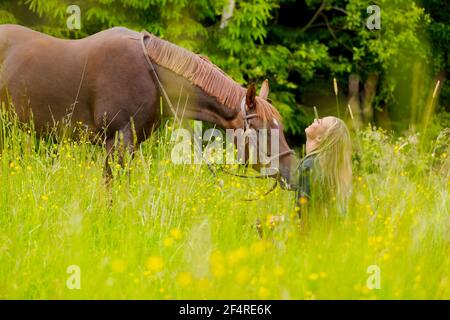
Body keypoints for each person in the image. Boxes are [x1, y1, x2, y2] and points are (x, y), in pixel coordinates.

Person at [296, 116, 353, 216]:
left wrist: (282, 220)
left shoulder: (309, 166)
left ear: (320, 137)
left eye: (319, 122)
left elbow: (303, 215)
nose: (315, 119)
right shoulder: (324, 169)